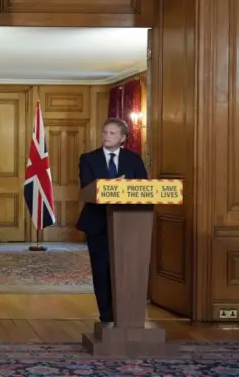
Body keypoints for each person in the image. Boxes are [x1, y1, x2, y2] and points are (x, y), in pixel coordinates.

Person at [76, 117, 148, 323]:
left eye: (112, 133)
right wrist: (110, 185)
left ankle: (128, 317)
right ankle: (106, 316)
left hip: (130, 224)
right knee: (102, 269)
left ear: (123, 138)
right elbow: (87, 187)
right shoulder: (88, 158)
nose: (107, 136)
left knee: (127, 271)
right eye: (104, 132)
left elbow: (144, 188)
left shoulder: (133, 160)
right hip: (97, 223)